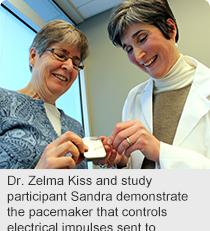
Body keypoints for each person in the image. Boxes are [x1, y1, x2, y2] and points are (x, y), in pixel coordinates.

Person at [98, 0, 210, 169]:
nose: (138, 56)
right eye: (128, 49)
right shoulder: (134, 98)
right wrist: (121, 161)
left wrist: (159, 151)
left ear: (170, 29)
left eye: (142, 38)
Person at [0, 20, 89, 169]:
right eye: (60, 55)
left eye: (75, 63)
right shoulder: (3, 102)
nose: (68, 66)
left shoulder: (75, 127)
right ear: (33, 56)